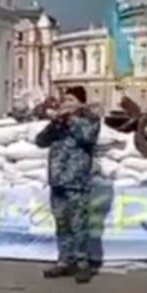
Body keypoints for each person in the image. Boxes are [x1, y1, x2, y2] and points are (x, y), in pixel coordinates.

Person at [35, 86, 100, 283]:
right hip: (58, 180)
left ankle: (82, 263)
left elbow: (87, 137)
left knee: (78, 224)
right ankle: (64, 260)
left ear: (80, 102)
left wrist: (70, 119)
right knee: (61, 223)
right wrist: (55, 123)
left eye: (71, 100)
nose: (66, 104)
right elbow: (40, 141)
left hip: (77, 181)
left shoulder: (90, 119)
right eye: (65, 100)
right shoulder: (59, 123)